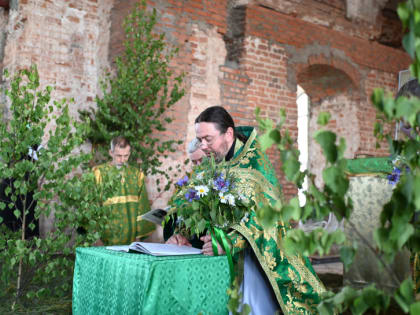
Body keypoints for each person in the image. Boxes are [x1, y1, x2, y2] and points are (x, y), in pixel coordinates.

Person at [167, 106, 325, 314]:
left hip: (251, 263)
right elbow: (192, 203)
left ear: (228, 133)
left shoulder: (254, 166)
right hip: (215, 261)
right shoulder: (214, 161)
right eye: (200, 140)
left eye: (208, 139)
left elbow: (264, 219)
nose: (203, 146)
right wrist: (181, 232)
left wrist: (227, 242)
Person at [92, 136, 155, 245]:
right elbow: (93, 204)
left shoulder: (136, 175)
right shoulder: (99, 173)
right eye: (119, 156)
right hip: (105, 236)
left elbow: (142, 205)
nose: (122, 160)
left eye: (126, 156)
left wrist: (139, 236)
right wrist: (96, 236)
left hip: (130, 237)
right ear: (111, 153)